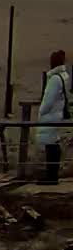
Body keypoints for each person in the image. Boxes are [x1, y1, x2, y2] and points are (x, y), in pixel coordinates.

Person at [39, 51, 71, 185]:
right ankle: (52, 174)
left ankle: (51, 176)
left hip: (51, 115)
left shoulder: (54, 79)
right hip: (58, 113)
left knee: (50, 144)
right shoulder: (64, 76)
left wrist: (41, 111)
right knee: (54, 142)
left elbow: (48, 100)